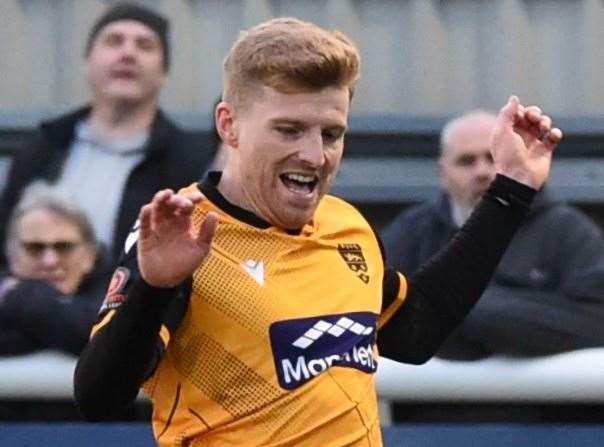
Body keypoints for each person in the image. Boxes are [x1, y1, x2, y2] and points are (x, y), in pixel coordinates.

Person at [74, 17, 562, 446]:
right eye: (288, 130)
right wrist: (154, 287)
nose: (314, 155)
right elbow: (100, 397)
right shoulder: (184, 234)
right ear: (230, 125)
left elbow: (415, 332)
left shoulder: (343, 224)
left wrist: (510, 191)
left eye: (331, 133)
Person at [0, 2, 215, 265]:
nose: (128, 53)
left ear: (164, 72)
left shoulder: (190, 160)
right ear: (87, 61)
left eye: (145, 45)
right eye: (114, 41)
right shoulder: (44, 146)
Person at [382, 110, 604, 360]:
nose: (482, 172)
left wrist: (476, 315)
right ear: (442, 173)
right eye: (466, 161)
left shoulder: (566, 230)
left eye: (493, 158)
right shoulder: (414, 230)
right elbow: (374, 315)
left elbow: (595, 322)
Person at [0, 181, 111, 356]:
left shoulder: (122, 294)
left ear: (90, 256)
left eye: (64, 247)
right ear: (12, 256)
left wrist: (16, 294)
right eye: (34, 248)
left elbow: (107, 338)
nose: (50, 261)